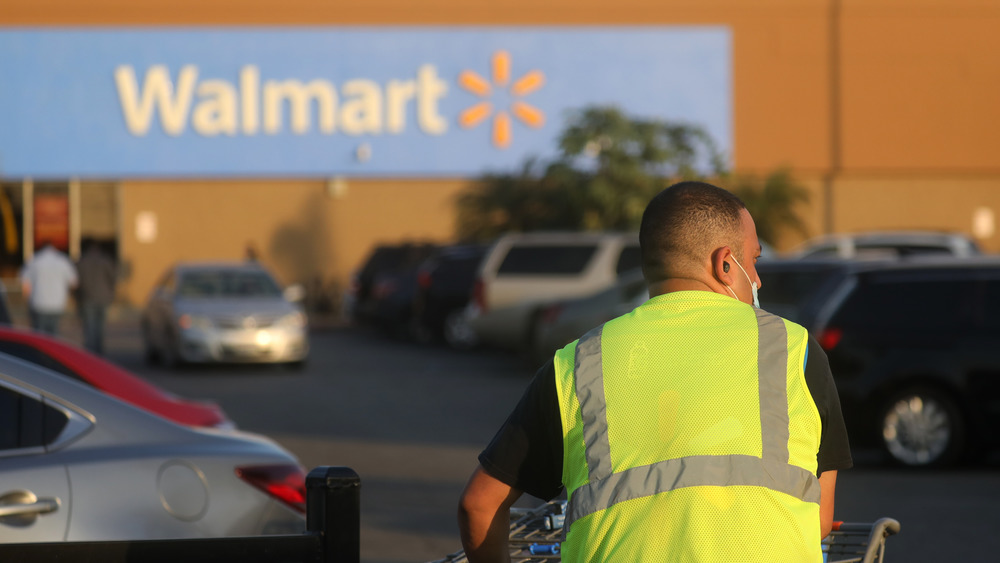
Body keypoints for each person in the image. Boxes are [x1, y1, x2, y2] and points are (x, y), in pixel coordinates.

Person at [457, 181, 853, 562]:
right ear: (725, 263)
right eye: (755, 259)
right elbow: (818, 519)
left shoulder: (577, 363)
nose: (759, 277)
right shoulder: (793, 348)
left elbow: (478, 506)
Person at [20, 240, 78, 336]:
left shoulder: (34, 260)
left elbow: (25, 284)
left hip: (38, 302)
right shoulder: (62, 260)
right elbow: (73, 282)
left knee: (38, 335)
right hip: (57, 303)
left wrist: (26, 301)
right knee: (54, 335)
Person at [75, 240, 117, 354]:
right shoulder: (105, 260)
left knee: (89, 327)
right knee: (100, 327)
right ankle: (99, 353)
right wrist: (111, 292)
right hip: (103, 298)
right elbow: (113, 278)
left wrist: (77, 297)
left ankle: (90, 354)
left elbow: (76, 282)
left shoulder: (81, 262)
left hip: (87, 297)